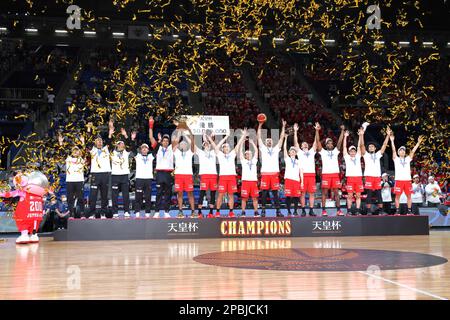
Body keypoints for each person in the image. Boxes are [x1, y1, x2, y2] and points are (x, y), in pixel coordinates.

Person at [206, 131, 246, 217]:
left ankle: (231, 212)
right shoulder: (220, 155)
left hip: (231, 177)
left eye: (228, 147)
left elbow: (238, 145)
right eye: (225, 147)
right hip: (223, 177)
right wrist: (223, 138)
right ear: (223, 149)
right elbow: (215, 147)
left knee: (231, 195)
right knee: (220, 195)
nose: (227, 148)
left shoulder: (232, 154)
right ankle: (217, 212)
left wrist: (242, 136)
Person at [257, 118, 286, 217]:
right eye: (267, 141)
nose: (269, 142)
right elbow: (258, 137)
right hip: (265, 174)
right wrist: (260, 125)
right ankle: (263, 211)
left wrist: (283, 127)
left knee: (275, 193)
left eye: (270, 141)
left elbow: (281, 138)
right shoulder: (263, 149)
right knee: (264, 193)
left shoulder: (276, 149)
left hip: (274, 174)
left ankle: (278, 211)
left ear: (272, 142)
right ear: (265, 143)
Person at [389, 133, 424, 215]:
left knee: (409, 196)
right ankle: (397, 211)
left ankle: (409, 211)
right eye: (401, 150)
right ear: (398, 152)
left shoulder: (408, 159)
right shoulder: (396, 159)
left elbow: (412, 151)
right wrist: (392, 141)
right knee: (397, 196)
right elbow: (393, 150)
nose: (402, 151)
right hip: (399, 180)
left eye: (404, 150)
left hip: (407, 180)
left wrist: (418, 143)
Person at [360, 126, 391, 214]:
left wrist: (388, 136)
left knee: (378, 194)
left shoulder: (378, 155)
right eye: (369, 147)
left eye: (372, 146)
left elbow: (384, 145)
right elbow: (362, 145)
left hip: (377, 176)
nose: (370, 147)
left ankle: (381, 211)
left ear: (375, 148)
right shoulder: (365, 155)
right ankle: (369, 211)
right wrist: (361, 135)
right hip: (369, 176)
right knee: (369, 194)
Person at [316, 123, 345, 216]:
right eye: (328, 143)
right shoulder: (323, 152)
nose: (330, 144)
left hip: (335, 174)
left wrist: (342, 131)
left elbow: (340, 142)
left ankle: (339, 210)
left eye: (331, 142)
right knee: (324, 193)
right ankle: (324, 210)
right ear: (326, 145)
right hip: (326, 175)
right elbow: (317, 142)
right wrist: (317, 131)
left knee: (336, 193)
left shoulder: (336, 151)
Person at [86, 120, 113, 219]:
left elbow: (110, 141)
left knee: (104, 195)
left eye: (100, 140)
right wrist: (88, 129)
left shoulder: (106, 149)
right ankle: (92, 213)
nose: (99, 142)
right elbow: (88, 142)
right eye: (97, 140)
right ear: (95, 142)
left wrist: (110, 133)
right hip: (95, 174)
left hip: (105, 174)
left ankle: (103, 213)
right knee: (93, 195)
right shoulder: (92, 150)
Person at [148, 116, 173, 218]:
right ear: (161, 142)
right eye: (164, 141)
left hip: (168, 174)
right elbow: (151, 137)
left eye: (167, 141)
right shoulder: (157, 147)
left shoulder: (172, 148)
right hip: (159, 173)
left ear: (169, 142)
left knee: (168, 193)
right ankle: (157, 211)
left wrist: (180, 126)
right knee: (158, 193)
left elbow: (177, 137)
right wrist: (151, 125)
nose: (166, 142)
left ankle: (167, 211)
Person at [293, 122, 318, 216]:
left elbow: (316, 143)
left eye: (306, 144)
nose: (305, 144)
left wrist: (316, 131)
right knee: (302, 194)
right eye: (303, 144)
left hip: (311, 175)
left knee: (312, 194)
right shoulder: (299, 152)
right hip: (302, 175)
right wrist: (295, 132)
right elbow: (295, 143)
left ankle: (311, 210)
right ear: (301, 146)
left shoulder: (312, 152)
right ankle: (303, 210)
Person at [172, 129, 196, 218]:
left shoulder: (190, 152)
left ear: (187, 146)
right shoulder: (176, 152)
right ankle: (180, 211)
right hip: (178, 175)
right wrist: (179, 133)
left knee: (190, 193)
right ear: (179, 146)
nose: (183, 145)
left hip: (188, 175)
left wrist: (186, 135)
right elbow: (174, 143)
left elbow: (193, 143)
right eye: (181, 144)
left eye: (185, 144)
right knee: (180, 193)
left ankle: (193, 211)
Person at [194, 134, 218, 218]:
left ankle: (211, 212)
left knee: (212, 194)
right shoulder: (200, 152)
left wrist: (210, 139)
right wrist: (188, 135)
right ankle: (199, 212)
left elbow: (215, 146)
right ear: (203, 146)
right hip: (204, 175)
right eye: (205, 144)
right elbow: (192, 144)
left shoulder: (213, 152)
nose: (206, 145)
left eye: (208, 144)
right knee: (202, 193)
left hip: (213, 175)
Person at [342, 129, 364, 215]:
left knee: (358, 195)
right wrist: (345, 137)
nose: (353, 152)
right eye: (351, 151)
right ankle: (349, 211)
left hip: (358, 178)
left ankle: (358, 211)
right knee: (350, 196)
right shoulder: (347, 157)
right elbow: (344, 147)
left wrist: (360, 136)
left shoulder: (358, 156)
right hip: (350, 178)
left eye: (354, 151)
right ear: (349, 152)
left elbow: (359, 147)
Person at [238, 131, 259, 217]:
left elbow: (257, 151)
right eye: (246, 154)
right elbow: (239, 152)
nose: (248, 155)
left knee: (255, 198)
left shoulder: (254, 160)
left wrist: (252, 143)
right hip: (245, 181)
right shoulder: (243, 161)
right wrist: (242, 141)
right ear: (245, 155)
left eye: (250, 153)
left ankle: (256, 212)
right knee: (244, 198)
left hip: (253, 181)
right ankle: (243, 212)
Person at [283, 133, 304, 216]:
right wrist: (285, 139)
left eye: (294, 151)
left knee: (296, 196)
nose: (293, 152)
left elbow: (301, 171)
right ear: (289, 153)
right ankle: (288, 211)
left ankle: (295, 211)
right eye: (291, 151)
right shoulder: (287, 159)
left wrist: (302, 181)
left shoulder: (299, 161)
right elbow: (284, 149)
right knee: (288, 196)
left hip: (296, 180)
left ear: (295, 153)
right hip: (288, 179)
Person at [133, 143, 155, 218]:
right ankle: (137, 212)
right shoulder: (137, 156)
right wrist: (132, 140)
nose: (144, 149)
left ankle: (147, 212)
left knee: (148, 197)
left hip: (148, 179)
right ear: (140, 149)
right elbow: (132, 148)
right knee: (138, 196)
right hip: (139, 178)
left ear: (148, 150)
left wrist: (158, 142)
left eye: (146, 148)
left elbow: (156, 149)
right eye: (143, 148)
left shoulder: (150, 156)